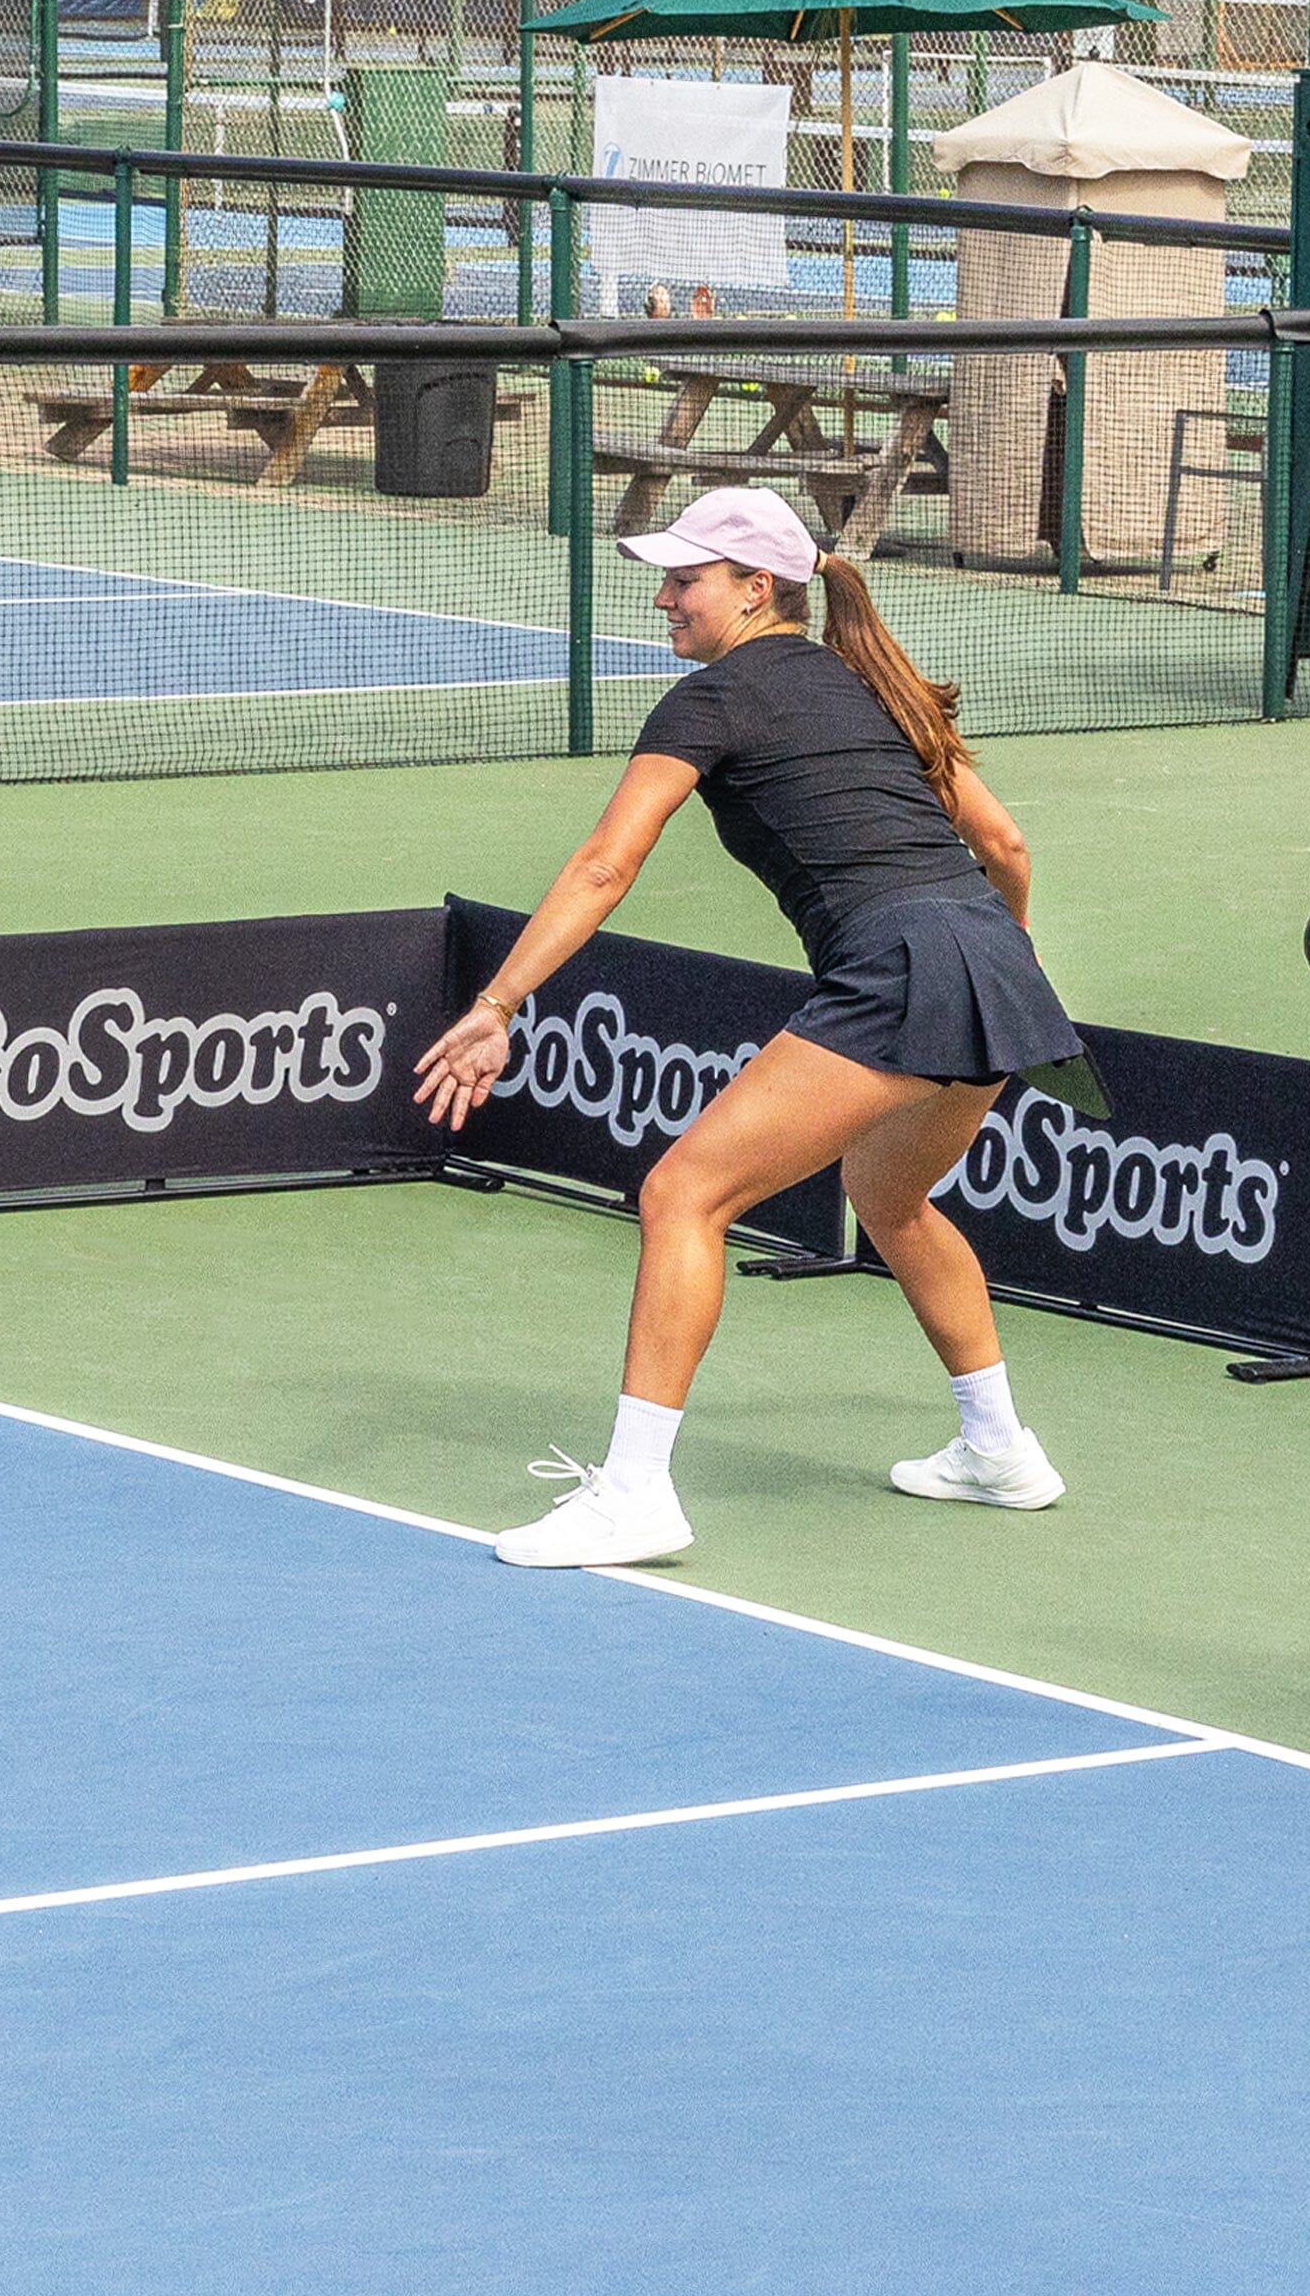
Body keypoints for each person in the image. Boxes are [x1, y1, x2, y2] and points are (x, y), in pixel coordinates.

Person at [412, 484, 1081, 1569]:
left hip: (901, 964)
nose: (666, 600)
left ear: (754, 588)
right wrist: (1001, 957)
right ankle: (1000, 1447)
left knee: (683, 1193)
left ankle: (634, 1496)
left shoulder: (710, 702)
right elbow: (1004, 847)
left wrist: (496, 1006)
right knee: (890, 1195)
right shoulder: (881, 686)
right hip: (993, 960)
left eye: (686, 580)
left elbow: (604, 865)